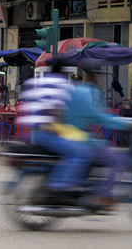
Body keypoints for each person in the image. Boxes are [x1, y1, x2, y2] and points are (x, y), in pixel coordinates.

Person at [68, 62, 132, 208]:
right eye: (97, 77)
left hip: (83, 137)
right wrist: (126, 124)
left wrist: (127, 121)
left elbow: (106, 114)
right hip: (80, 139)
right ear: (92, 77)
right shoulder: (83, 93)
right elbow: (98, 116)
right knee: (118, 160)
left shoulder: (89, 92)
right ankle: (103, 195)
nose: (99, 80)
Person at [19, 60, 92, 202]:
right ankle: (59, 186)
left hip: (32, 133)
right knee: (79, 154)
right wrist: (54, 124)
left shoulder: (36, 82)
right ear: (62, 72)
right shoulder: (61, 84)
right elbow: (55, 108)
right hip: (47, 132)